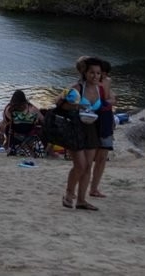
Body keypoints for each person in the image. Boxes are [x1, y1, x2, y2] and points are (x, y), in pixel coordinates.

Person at [58, 57, 104, 211]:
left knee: (88, 166)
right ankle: (69, 194)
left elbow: (106, 104)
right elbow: (59, 103)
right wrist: (76, 105)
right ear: (85, 72)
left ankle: (82, 200)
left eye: (98, 73)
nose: (95, 76)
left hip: (91, 129)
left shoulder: (100, 88)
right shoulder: (77, 88)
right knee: (80, 165)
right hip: (75, 128)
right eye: (92, 72)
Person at [89, 59, 115, 198]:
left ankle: (94, 188)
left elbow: (108, 97)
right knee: (90, 156)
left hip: (105, 119)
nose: (99, 76)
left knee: (102, 156)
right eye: (97, 73)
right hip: (93, 120)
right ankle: (87, 187)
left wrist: (110, 97)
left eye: (101, 73)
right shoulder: (88, 84)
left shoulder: (106, 81)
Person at [0, 90, 44, 154]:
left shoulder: (9, 109)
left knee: (3, 125)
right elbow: (42, 119)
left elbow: (5, 120)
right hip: (29, 134)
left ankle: (4, 144)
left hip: (14, 136)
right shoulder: (31, 108)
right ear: (24, 99)